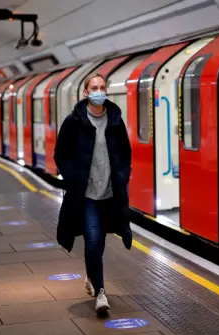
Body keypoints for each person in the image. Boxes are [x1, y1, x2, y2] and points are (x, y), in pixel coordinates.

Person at [54, 73, 133, 314]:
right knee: (93, 239)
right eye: (94, 88)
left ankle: (91, 273)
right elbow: (60, 154)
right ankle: (100, 293)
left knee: (100, 242)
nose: (99, 91)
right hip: (86, 195)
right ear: (86, 93)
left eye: (102, 87)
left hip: (110, 194)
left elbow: (125, 154)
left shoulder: (116, 121)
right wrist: (74, 178)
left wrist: (121, 176)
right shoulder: (74, 121)